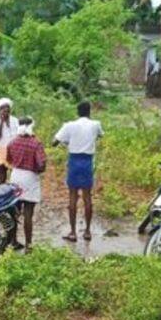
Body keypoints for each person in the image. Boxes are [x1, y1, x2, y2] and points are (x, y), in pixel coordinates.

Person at [53, 101, 103, 242]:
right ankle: (87, 231)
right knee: (87, 197)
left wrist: (67, 142)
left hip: (74, 161)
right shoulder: (95, 124)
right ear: (89, 112)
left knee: (73, 197)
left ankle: (73, 232)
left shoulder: (69, 125)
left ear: (77, 112)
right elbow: (100, 135)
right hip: (87, 162)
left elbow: (54, 142)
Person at [7, 117, 47, 253]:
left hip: (16, 176)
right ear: (32, 126)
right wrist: (38, 169)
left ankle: (12, 241)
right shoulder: (36, 143)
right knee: (28, 214)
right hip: (30, 177)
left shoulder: (13, 142)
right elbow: (41, 164)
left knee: (14, 212)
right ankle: (28, 245)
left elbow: (8, 159)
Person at [0, 98, 19, 183]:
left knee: (14, 172)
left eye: (7, 108)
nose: (5, 110)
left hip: (13, 150)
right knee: (1, 172)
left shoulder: (15, 120)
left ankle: (13, 190)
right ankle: (1, 189)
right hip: (0, 149)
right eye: (3, 108)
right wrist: (1, 123)